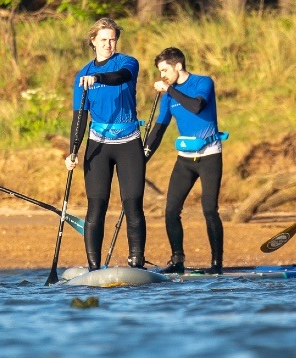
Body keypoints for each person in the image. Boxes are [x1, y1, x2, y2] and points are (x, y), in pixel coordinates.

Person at [65, 18, 146, 270]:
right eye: (103, 40)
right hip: (98, 146)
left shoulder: (127, 63)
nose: (109, 44)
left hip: (129, 143)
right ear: (93, 41)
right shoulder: (82, 76)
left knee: (132, 204)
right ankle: (93, 267)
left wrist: (98, 77)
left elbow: (119, 77)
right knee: (96, 206)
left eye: (112, 39)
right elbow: (79, 118)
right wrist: (73, 151)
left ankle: (136, 261)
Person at [144, 47, 225, 274]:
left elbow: (197, 106)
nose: (162, 76)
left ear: (178, 66)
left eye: (165, 70)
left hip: (209, 155)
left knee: (209, 209)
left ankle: (216, 264)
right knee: (171, 211)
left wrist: (170, 90)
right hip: (185, 160)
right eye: (160, 72)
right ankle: (177, 259)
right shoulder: (169, 97)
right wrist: (143, 157)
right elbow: (159, 129)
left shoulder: (203, 82)